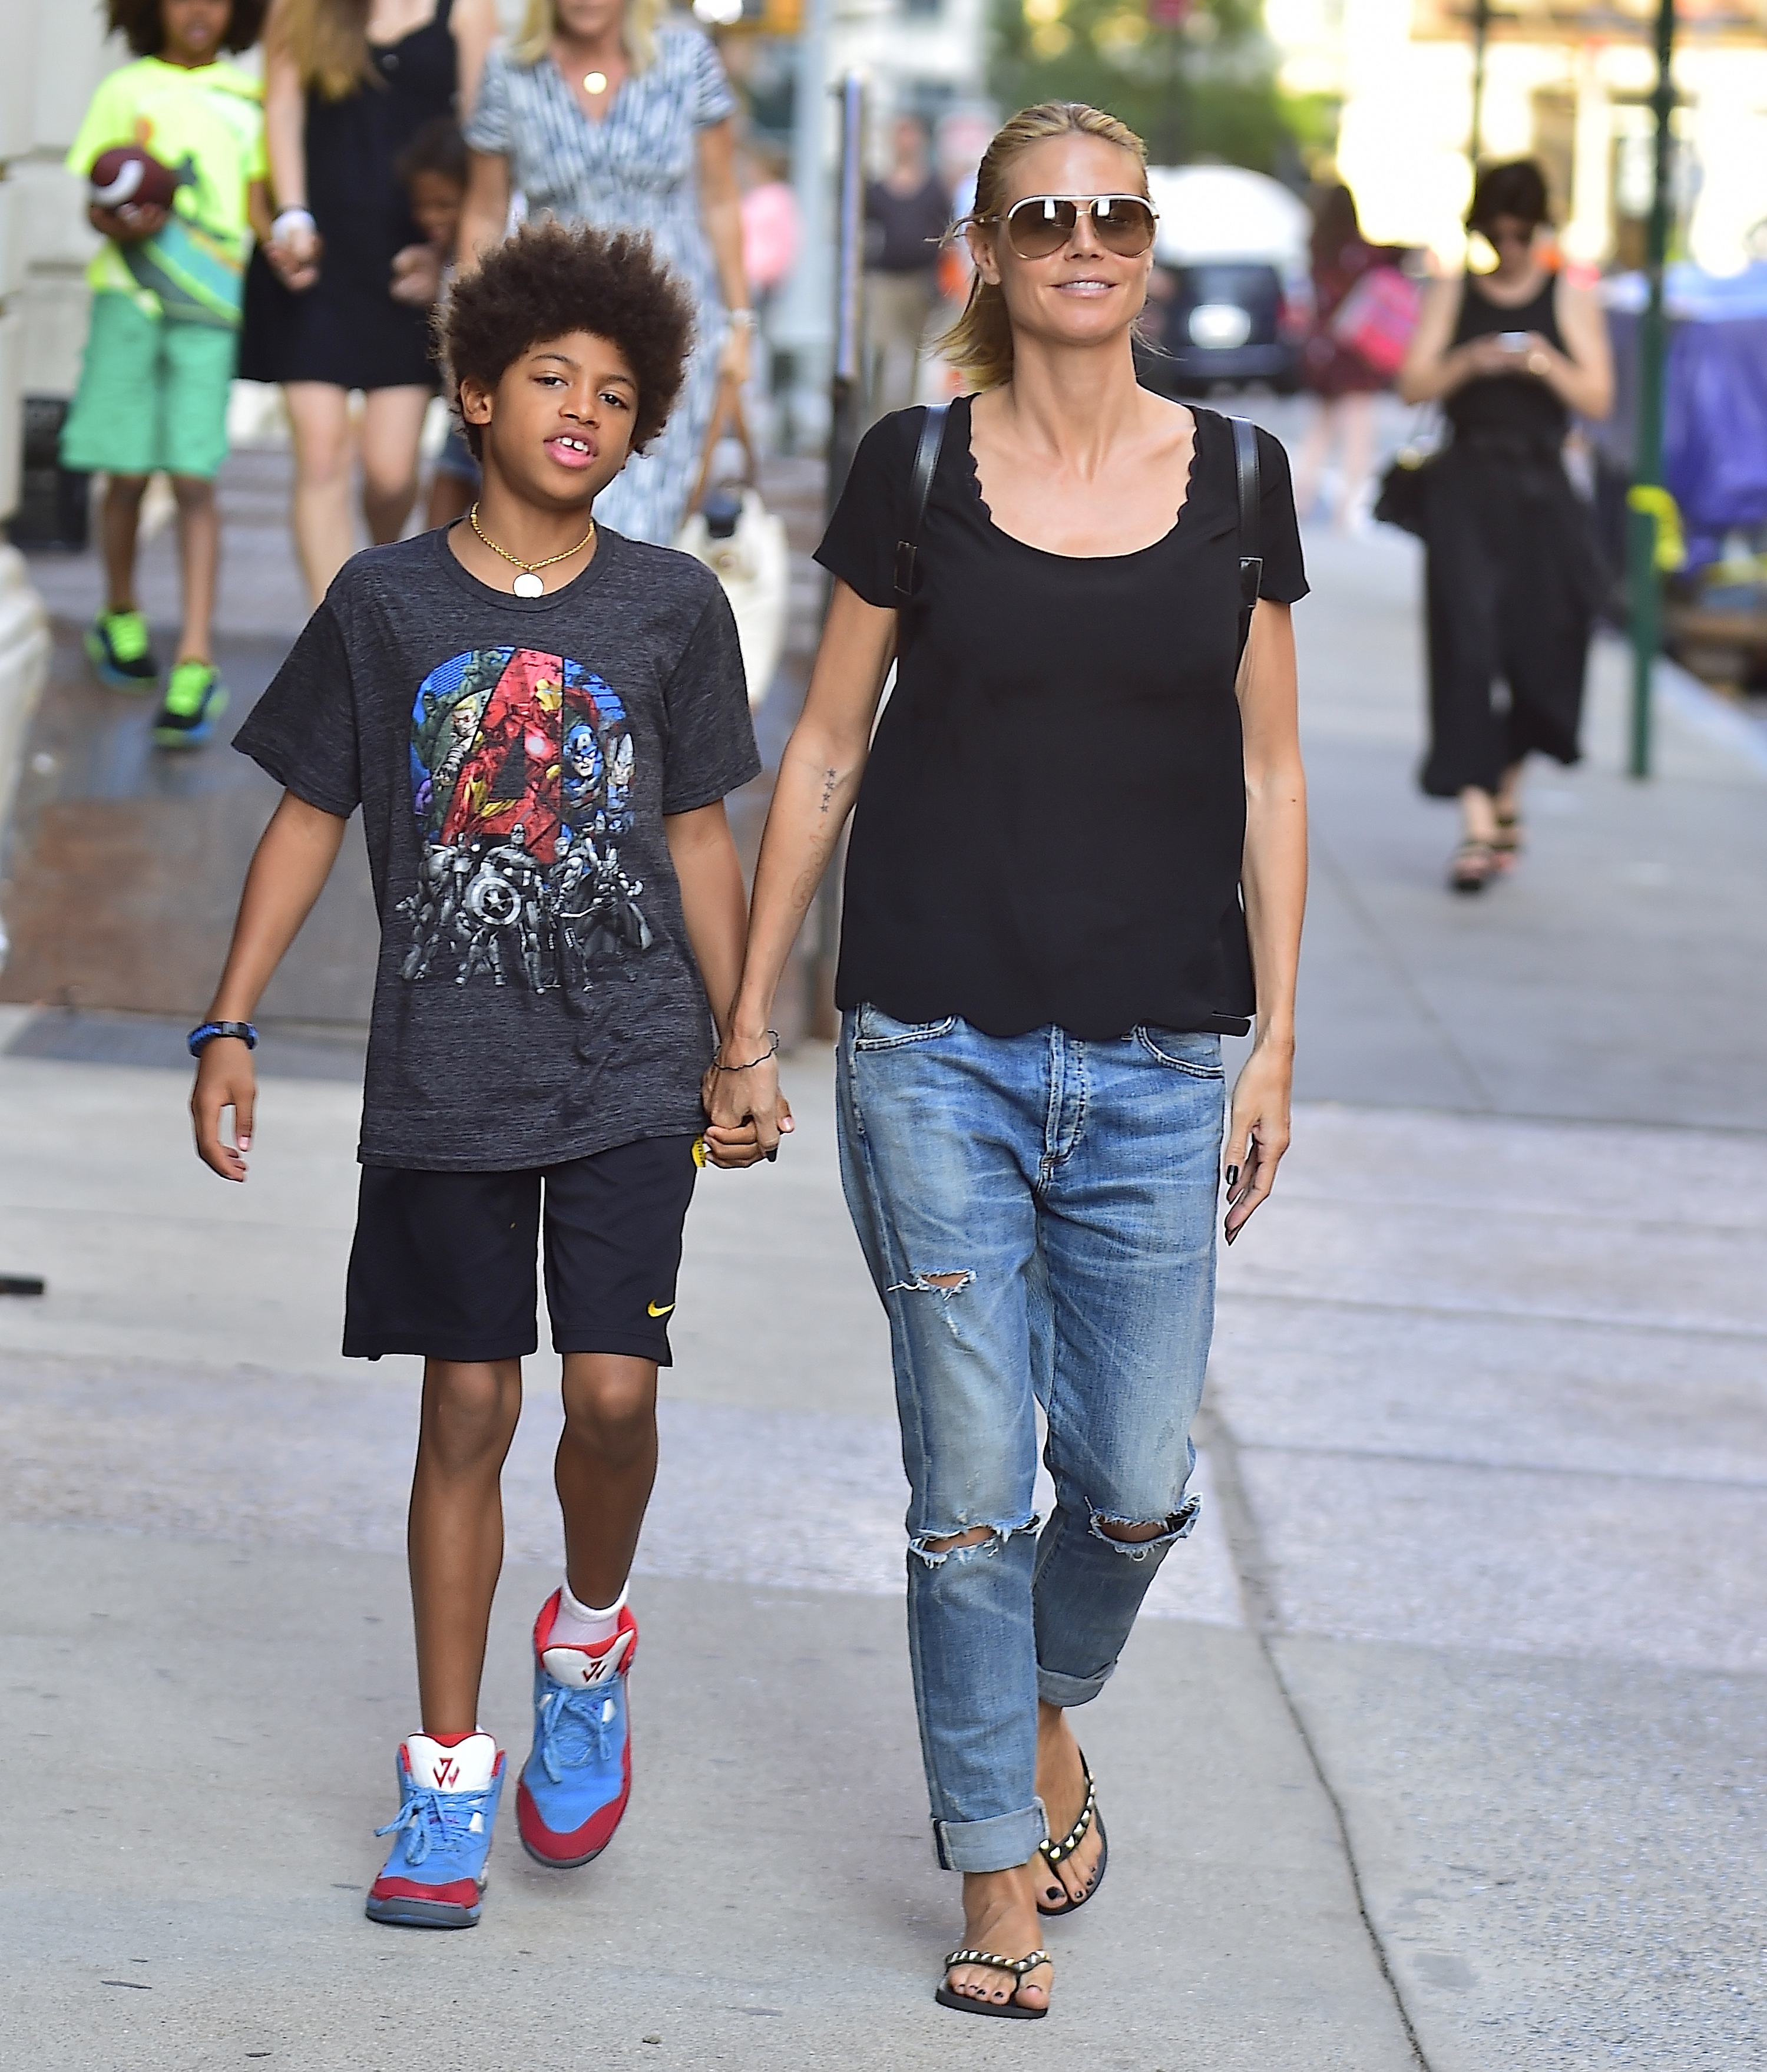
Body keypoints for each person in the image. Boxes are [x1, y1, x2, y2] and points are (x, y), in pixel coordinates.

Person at [709, 100, 1309, 2017]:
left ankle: (1044, 1704)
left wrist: (1279, 1035)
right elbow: (821, 745)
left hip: (1157, 1056)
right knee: (970, 1489)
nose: (1085, 236)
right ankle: (995, 1880)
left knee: (1131, 1484)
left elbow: (1276, 774)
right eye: (1045, 212)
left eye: (1115, 213)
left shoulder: (1237, 473)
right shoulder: (911, 466)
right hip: (933, 1045)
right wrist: (748, 1008)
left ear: (1141, 250)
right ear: (985, 250)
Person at [189, 222, 764, 1929]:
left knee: (610, 1397)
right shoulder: (384, 602)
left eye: (615, 391)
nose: (583, 407)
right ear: (471, 393)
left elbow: (700, 834)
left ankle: (585, 1640)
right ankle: (446, 1774)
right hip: (445, 1072)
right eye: (547, 379)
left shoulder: (673, 605)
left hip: (632, 1066)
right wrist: (226, 1019)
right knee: (466, 1402)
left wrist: (741, 1043)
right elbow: (309, 812)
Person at [458, 0, 753, 547]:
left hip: (668, 325)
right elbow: (484, 210)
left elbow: (720, 199)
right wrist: (468, 328)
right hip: (552, 322)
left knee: (645, 519)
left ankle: (615, 631)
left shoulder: (686, 59)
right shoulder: (509, 69)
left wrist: (740, 321)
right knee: (553, 500)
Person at [1398, 158, 1613, 891]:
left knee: (1548, 641)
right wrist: (1474, 360)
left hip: (1542, 489)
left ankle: (1509, 788)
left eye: (1522, 233)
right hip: (1467, 486)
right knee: (1466, 643)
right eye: (1498, 232)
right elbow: (1412, 384)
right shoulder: (1455, 294)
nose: (1510, 247)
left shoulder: (1567, 297)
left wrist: (1544, 362)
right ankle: (1476, 820)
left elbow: (1601, 397)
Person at [62, 0, 269, 749]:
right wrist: (118, 219)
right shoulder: (126, 89)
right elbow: (97, 198)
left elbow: (259, 207)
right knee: (125, 473)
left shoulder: (250, 99)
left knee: (193, 479)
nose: (199, 11)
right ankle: (118, 609)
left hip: (210, 313)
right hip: (127, 303)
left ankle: (195, 655)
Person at [243, 0, 499, 603]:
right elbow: (280, 104)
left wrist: (446, 256)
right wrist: (291, 216)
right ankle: (335, 638)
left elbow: (482, 137)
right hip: (317, 264)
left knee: (389, 476)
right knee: (322, 453)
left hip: (409, 267)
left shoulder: (466, 11)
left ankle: (378, 593)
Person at [1292, 182, 1407, 527]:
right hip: (1354, 350)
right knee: (1358, 429)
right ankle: (1347, 508)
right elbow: (1393, 260)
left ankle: (1300, 501)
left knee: (1320, 427)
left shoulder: (1316, 250)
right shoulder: (1361, 254)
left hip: (1323, 349)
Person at [389, 114, 480, 530]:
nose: (431, 217)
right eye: (422, 206)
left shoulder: (492, 254)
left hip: (491, 415)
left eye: (444, 204)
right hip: (459, 418)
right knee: (439, 526)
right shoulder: (443, 258)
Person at [863, 114, 951, 421]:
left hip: (920, 279)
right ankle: (875, 417)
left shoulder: (933, 188)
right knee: (881, 350)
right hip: (885, 279)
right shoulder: (876, 190)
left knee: (914, 353)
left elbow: (946, 233)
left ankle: (908, 417)